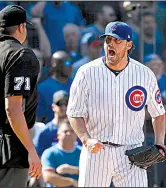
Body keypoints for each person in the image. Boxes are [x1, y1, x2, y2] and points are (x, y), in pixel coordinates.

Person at [67, 21, 166, 187]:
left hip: (132, 152)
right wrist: (85, 139)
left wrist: (159, 142)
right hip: (97, 150)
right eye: (107, 40)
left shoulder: (144, 74)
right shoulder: (86, 72)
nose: (110, 45)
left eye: (117, 41)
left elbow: (159, 113)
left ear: (129, 45)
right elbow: (74, 112)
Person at [0, 5, 42, 187]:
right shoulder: (20, 54)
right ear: (22, 27)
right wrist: (30, 149)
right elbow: (12, 108)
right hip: (6, 146)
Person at [41, 119, 81, 187]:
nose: (69, 133)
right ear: (58, 135)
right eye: (65, 131)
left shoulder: (82, 152)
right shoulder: (50, 153)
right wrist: (72, 182)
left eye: (72, 131)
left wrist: (73, 170)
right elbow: (48, 177)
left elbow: (91, 173)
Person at [36, 51, 73, 123]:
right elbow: (39, 118)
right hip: (52, 131)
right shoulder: (43, 88)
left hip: (72, 131)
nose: (71, 66)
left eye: (71, 63)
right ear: (55, 65)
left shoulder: (75, 84)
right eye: (67, 63)